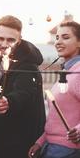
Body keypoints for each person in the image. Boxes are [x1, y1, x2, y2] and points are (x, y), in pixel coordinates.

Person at [0, 15, 46, 158]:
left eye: (10, 40)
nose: (4, 44)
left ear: (19, 40)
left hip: (17, 142)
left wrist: (9, 102)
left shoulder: (28, 65)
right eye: (0, 38)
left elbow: (24, 92)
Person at [28, 21, 80, 158]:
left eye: (66, 37)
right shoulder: (66, 72)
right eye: (57, 37)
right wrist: (40, 142)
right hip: (50, 148)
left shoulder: (78, 72)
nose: (58, 42)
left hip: (68, 151)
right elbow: (56, 118)